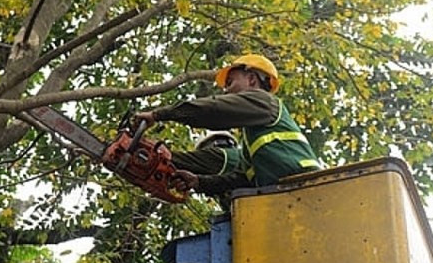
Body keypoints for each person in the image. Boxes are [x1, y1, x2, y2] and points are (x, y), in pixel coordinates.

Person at [135, 54, 321, 196]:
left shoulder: (265, 102)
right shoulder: (253, 136)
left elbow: (212, 110)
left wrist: (158, 115)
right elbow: (242, 179)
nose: (225, 90)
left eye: (230, 82)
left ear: (251, 79)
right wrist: (199, 182)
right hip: (286, 193)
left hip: (305, 185)